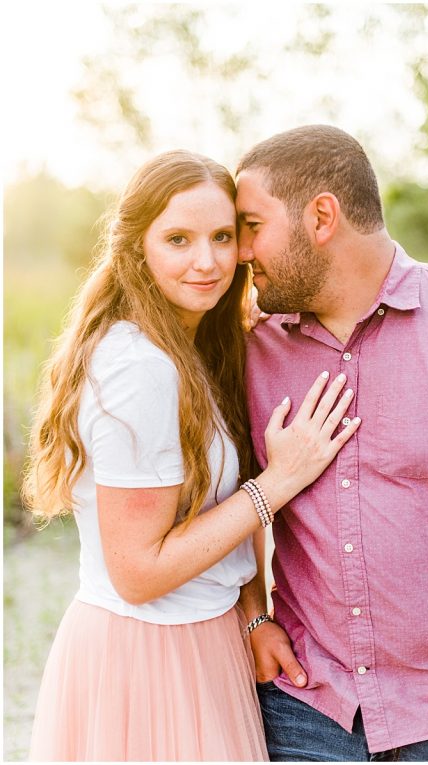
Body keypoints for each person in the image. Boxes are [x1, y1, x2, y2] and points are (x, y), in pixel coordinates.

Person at [23, 150, 361, 761]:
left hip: (207, 636)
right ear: (137, 249)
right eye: (178, 239)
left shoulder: (193, 345)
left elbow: (218, 514)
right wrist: (279, 483)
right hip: (150, 656)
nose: (207, 262)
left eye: (222, 237)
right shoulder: (140, 368)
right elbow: (138, 573)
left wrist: (255, 614)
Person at [234, 125, 428, 761]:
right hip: (306, 709)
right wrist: (254, 614)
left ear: (322, 216)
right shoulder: (250, 349)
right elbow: (228, 492)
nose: (240, 250)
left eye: (252, 225)